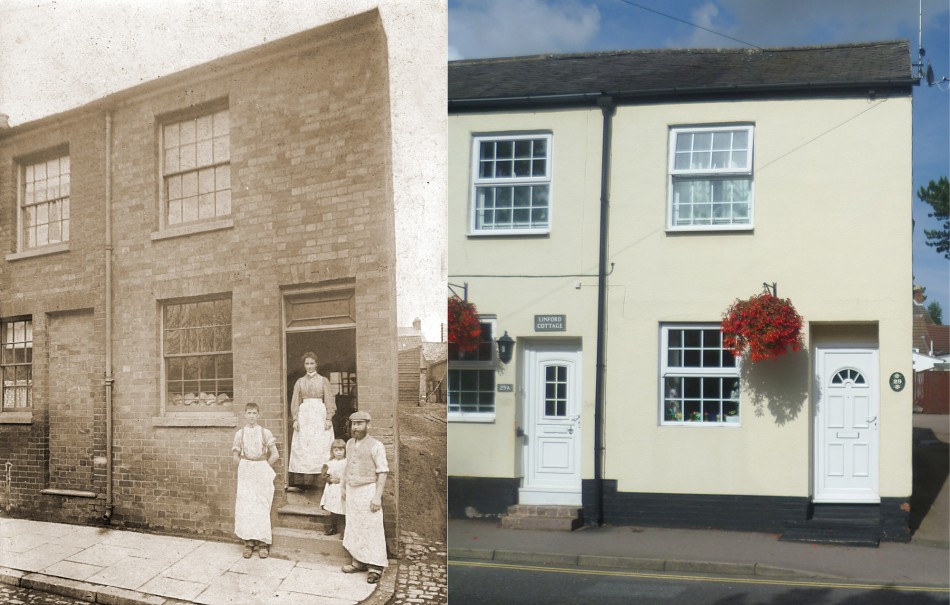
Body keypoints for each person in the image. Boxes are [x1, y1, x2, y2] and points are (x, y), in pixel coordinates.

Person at [341, 410, 389, 584]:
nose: (356, 427)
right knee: (354, 526)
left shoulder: (377, 445)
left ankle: (375, 567)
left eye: (360, 424)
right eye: (354, 424)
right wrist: (343, 488)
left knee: (372, 527)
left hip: (368, 490)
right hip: (352, 491)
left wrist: (377, 497)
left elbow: (383, 471)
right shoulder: (349, 443)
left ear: (368, 425)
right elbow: (347, 466)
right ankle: (358, 561)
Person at [231, 402, 279, 559]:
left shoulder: (265, 432)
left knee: (261, 505)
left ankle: (263, 543)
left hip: (260, 469)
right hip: (246, 471)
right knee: (247, 506)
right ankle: (249, 543)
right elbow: (235, 456)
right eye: (249, 413)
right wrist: (246, 467)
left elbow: (275, 455)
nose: (251, 416)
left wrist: (263, 468)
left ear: (259, 415)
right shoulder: (240, 434)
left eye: (254, 413)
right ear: (245, 415)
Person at [288, 352, 336, 489]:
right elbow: (295, 401)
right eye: (307, 364)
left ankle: (321, 481)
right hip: (305, 416)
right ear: (304, 365)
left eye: (312, 363)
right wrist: (295, 419)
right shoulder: (300, 382)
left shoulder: (323, 381)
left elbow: (329, 400)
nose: (309, 366)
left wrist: (328, 418)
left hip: (319, 415)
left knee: (320, 446)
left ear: (316, 364)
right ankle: (304, 482)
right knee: (304, 446)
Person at [320, 439, 347, 537]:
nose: (339, 452)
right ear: (332, 451)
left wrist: (344, 480)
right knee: (333, 508)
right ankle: (333, 528)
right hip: (333, 489)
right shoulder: (329, 463)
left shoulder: (347, 462)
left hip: (343, 488)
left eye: (341, 450)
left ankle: (344, 531)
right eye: (336, 450)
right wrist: (330, 479)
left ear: (345, 450)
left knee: (343, 508)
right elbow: (323, 475)